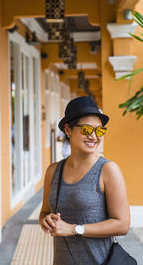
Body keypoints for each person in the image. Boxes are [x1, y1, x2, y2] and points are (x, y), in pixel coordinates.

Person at [39, 96, 130, 265]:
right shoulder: (53, 171)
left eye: (100, 131)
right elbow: (44, 212)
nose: (94, 136)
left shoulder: (108, 170)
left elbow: (123, 224)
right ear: (68, 130)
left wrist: (74, 229)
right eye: (87, 130)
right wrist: (46, 220)